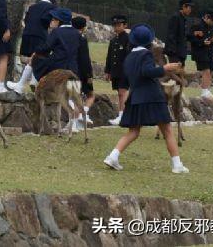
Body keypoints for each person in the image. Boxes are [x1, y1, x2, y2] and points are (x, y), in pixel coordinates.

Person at [103, 24, 189, 174]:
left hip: (135, 97)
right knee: (167, 130)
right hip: (153, 97)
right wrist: (165, 68)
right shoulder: (146, 55)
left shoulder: (129, 57)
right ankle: (177, 165)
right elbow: (147, 72)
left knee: (133, 132)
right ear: (148, 41)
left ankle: (113, 156)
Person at [7, 0, 58, 94]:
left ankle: (31, 82)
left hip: (27, 34)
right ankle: (32, 82)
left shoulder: (33, 7)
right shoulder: (52, 7)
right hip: (40, 36)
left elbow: (26, 20)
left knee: (31, 59)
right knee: (38, 58)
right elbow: (45, 19)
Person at [105, 15, 130, 126]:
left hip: (125, 71)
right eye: (114, 25)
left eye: (119, 25)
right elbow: (110, 57)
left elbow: (129, 56)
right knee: (120, 93)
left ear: (125, 25)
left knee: (122, 92)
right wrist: (108, 71)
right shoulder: (114, 40)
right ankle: (122, 114)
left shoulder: (128, 39)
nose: (116, 27)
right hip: (116, 71)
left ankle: (122, 116)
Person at [188, 10, 213, 98]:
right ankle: (204, 92)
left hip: (210, 52)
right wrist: (202, 42)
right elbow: (190, 38)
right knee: (206, 71)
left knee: (211, 71)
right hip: (199, 52)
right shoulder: (196, 26)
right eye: (212, 20)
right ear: (206, 17)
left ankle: (207, 90)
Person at [72, 16, 94, 128]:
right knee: (90, 95)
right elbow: (85, 59)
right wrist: (89, 75)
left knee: (74, 97)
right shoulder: (82, 39)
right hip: (82, 72)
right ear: (83, 27)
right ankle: (82, 114)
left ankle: (77, 119)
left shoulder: (69, 37)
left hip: (70, 70)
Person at [165, 0, 193, 65]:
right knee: (176, 73)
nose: (190, 10)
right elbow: (171, 36)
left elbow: (183, 35)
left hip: (181, 53)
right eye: (189, 7)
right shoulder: (175, 17)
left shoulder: (183, 19)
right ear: (183, 6)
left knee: (180, 74)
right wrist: (174, 53)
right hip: (175, 53)